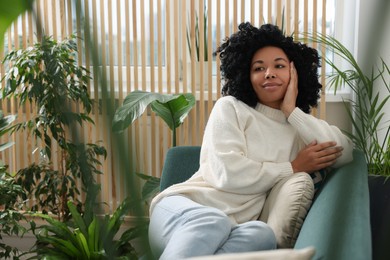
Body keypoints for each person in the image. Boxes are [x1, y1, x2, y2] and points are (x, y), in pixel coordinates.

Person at [148, 22, 353, 259]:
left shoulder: (299, 129)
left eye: (279, 66)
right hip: (182, 212)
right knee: (213, 220)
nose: (269, 73)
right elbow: (227, 173)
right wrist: (293, 167)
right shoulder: (231, 108)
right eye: (258, 68)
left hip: (231, 230)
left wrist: (292, 112)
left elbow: (345, 151)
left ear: (295, 74)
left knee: (262, 235)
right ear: (247, 75)